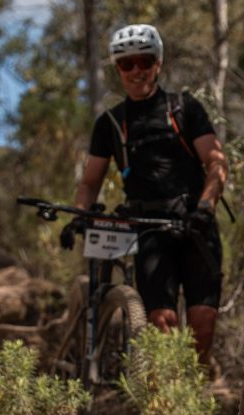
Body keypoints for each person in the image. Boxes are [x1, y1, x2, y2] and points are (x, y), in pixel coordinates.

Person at [69, 23, 227, 373]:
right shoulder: (110, 122)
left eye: (144, 61)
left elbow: (216, 162)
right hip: (148, 231)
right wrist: (77, 215)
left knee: (201, 328)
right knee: (162, 322)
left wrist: (205, 206)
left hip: (195, 225)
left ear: (157, 64)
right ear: (117, 70)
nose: (137, 70)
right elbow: (90, 182)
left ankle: (197, 395)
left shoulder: (185, 107)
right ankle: (166, 409)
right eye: (127, 64)